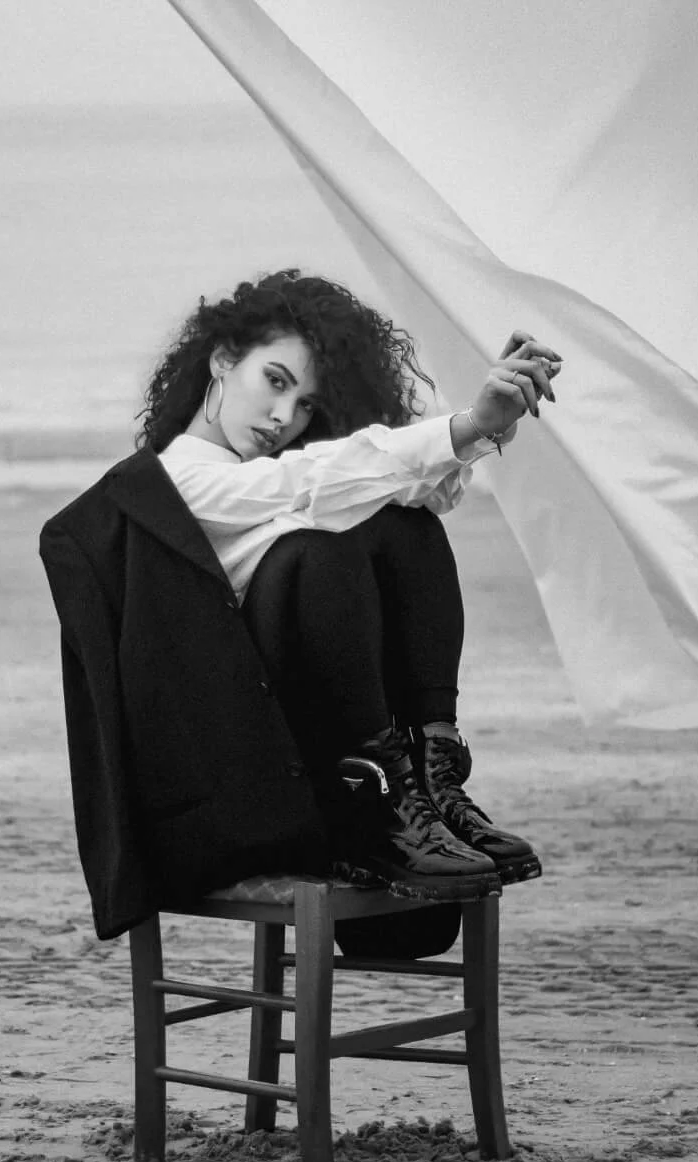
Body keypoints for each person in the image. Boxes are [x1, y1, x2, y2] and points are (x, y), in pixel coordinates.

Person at [41, 269, 560, 943]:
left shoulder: (268, 481)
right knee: (318, 549)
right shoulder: (174, 483)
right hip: (239, 791)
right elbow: (306, 480)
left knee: (403, 525)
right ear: (222, 360)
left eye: (307, 403)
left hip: (309, 759)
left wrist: (493, 422)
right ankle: (379, 794)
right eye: (275, 380)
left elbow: (414, 495)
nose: (285, 417)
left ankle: (430, 779)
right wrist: (467, 426)